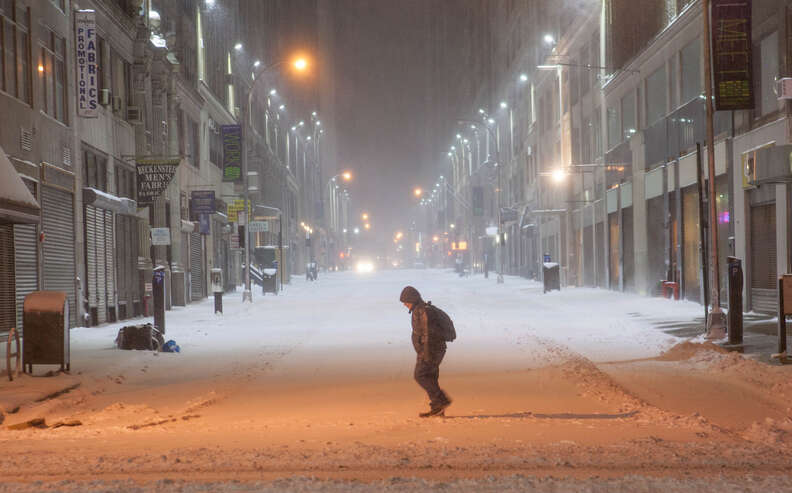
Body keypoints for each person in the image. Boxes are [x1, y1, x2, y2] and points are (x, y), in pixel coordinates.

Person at [399, 286, 452, 417]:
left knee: (420, 375)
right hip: (433, 349)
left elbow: (427, 334)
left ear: (412, 299)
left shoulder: (422, 311)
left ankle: (441, 400)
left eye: (406, 301)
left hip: (431, 350)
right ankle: (437, 408)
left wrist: (426, 354)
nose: (405, 304)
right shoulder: (420, 310)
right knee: (430, 377)